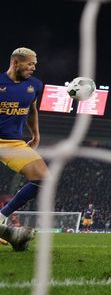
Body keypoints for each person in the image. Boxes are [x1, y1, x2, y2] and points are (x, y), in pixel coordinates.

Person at [0, 47, 46, 251]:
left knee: (44, 179)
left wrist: (35, 134)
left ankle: (2, 216)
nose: (34, 67)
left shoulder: (35, 86)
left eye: (35, 64)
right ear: (16, 63)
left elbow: (32, 110)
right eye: (30, 63)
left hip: (12, 144)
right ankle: (11, 235)